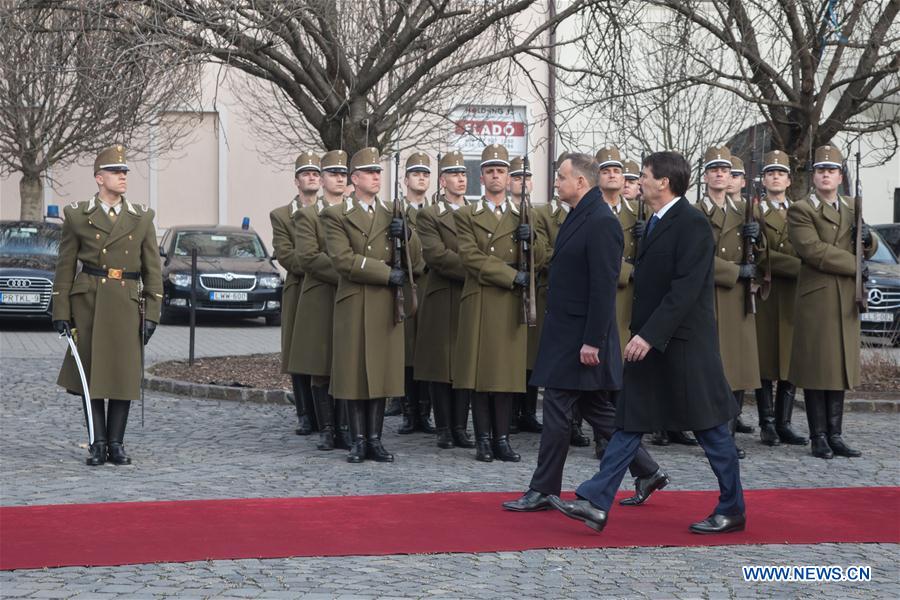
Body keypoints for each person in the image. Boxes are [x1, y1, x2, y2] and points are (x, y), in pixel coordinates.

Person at [548, 151, 745, 535]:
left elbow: (685, 291)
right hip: (653, 345)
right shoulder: (654, 221)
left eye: (646, 176)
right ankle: (596, 501)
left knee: (711, 430)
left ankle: (732, 508)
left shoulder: (691, 224)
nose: (638, 181)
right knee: (629, 421)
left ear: (664, 183)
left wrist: (649, 336)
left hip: (684, 347)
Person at [503, 153, 667, 513]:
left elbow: (603, 287)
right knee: (596, 408)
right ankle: (648, 470)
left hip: (581, 337)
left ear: (580, 182)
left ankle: (543, 488)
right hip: (568, 333)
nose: (556, 182)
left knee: (559, 409)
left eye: (561, 177)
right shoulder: (581, 215)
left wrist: (593, 340)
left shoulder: (601, 221)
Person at [52, 145, 163, 466]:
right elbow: (65, 266)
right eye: (116, 172)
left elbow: (152, 270)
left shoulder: (141, 217)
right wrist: (60, 311)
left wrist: (153, 313)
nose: (123, 176)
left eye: (125, 172)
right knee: (92, 376)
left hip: (127, 302)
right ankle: (97, 443)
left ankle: (117, 443)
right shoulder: (77, 215)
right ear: (100, 178)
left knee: (122, 375)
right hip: (88, 302)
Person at [322, 147, 424, 463]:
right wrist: (384, 272)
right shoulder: (336, 214)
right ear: (354, 178)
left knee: (380, 373)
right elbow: (342, 259)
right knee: (355, 373)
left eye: (378, 171)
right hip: (356, 300)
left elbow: (417, 262)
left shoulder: (392, 212)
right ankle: (358, 440)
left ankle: (376, 440)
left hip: (385, 303)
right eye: (369, 172)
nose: (376, 176)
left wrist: (407, 234)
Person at [453, 144, 547, 462]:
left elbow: (545, 255)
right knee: (481, 376)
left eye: (501, 171)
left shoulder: (524, 215)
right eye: (490, 171)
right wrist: (509, 276)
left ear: (509, 178)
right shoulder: (468, 214)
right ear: (481, 176)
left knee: (506, 374)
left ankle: (502, 439)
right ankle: (482, 439)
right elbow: (469, 255)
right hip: (482, 298)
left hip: (510, 304)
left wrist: (531, 238)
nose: (496, 176)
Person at [787, 145, 877, 459]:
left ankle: (836, 434)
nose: (826, 174)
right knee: (817, 368)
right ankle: (819, 436)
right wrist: (855, 263)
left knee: (838, 367)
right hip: (819, 296)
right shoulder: (802, 208)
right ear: (814, 176)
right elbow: (812, 250)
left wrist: (868, 241)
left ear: (840, 176)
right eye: (821, 170)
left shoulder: (852, 206)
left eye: (832, 170)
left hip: (847, 297)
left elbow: (868, 240)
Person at [695, 146, 765, 458]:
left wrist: (758, 238)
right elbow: (694, 259)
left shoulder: (743, 212)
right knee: (712, 371)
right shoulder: (695, 213)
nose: (720, 174)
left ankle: (730, 434)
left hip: (738, 301)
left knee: (738, 370)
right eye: (714, 169)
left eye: (725, 169)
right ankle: (714, 436)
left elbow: (763, 258)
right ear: (706, 176)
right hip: (709, 296)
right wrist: (736, 271)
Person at [414, 151, 475, 449]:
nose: (460, 178)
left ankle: (461, 427)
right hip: (441, 294)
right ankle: (443, 428)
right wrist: (477, 268)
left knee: (463, 361)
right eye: (453, 174)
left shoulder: (475, 212)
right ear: (442, 180)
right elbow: (436, 255)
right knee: (441, 364)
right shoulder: (430, 215)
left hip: (468, 295)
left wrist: (479, 266)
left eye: (463, 173)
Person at [295, 150, 349, 451]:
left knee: (345, 362)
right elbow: (309, 258)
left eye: (343, 173)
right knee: (321, 365)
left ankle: (345, 427)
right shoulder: (308, 216)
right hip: (321, 296)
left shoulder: (354, 214)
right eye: (332, 173)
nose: (339, 178)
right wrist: (348, 271)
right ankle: (327, 429)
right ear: (323, 178)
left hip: (349, 296)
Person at [754, 150, 807, 446]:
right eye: (770, 173)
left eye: (781, 173)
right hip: (768, 292)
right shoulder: (756, 212)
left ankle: (785, 422)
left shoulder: (800, 211)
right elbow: (762, 255)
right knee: (765, 361)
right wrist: (806, 267)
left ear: (789, 180)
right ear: (764, 180)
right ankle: (767, 423)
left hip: (796, 295)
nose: (776, 177)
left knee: (789, 360)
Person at [270, 151, 322, 435]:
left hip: (325, 288)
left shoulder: (332, 211)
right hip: (299, 289)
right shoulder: (281, 215)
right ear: (296, 181)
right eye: (306, 173)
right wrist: (318, 263)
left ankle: (326, 414)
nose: (311, 176)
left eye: (315, 172)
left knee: (323, 352)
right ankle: (304, 413)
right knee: (298, 354)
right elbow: (286, 255)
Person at [397, 152, 435, 435]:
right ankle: (410, 412)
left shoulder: (436, 210)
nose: (421, 178)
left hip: (431, 284)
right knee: (409, 351)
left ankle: (426, 411)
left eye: (425, 174)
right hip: (408, 285)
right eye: (416, 174)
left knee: (427, 350)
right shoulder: (397, 212)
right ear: (406, 179)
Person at [509, 156, 543, 434]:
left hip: (536, 289)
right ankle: (511, 412)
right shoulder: (506, 211)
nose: (523, 182)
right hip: (511, 285)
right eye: (517, 177)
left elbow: (546, 252)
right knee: (511, 355)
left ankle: (528, 411)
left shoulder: (540, 214)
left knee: (530, 356)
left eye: (526, 177)